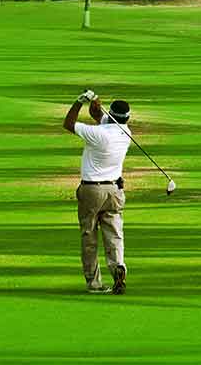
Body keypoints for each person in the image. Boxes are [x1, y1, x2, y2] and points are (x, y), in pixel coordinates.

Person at [63, 90, 133, 294]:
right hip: (115, 190)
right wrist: (95, 101)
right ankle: (118, 266)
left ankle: (94, 283)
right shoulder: (127, 133)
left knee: (89, 237)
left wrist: (78, 102)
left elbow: (68, 123)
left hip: (92, 191)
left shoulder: (98, 133)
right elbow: (97, 114)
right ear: (127, 118)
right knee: (114, 234)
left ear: (110, 115)